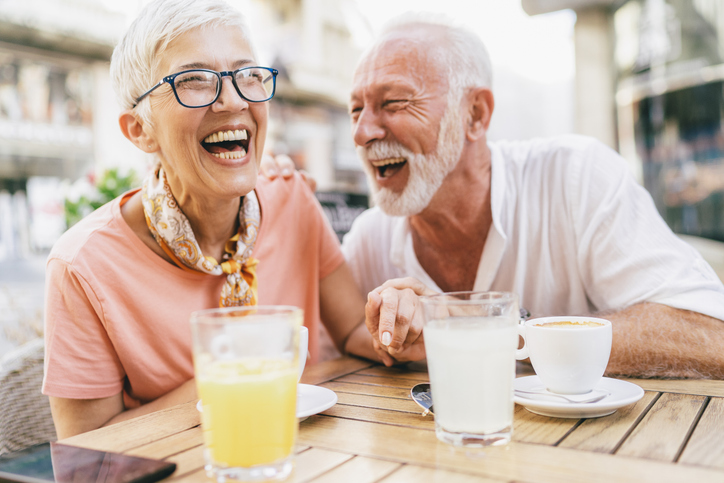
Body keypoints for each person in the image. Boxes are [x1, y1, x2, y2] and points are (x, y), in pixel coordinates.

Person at [264, 14, 724, 379]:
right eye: (356, 109)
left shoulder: (575, 178)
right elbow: (321, 358)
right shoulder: (368, 239)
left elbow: (709, 331)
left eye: (394, 102)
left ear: (476, 115)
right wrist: (265, 197)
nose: (363, 132)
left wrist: (494, 334)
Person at [41, 0, 382, 440]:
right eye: (195, 81)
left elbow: (356, 329)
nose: (233, 100)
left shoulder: (292, 200)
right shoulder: (81, 266)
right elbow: (86, 448)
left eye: (248, 75)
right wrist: (237, 374)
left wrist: (405, 326)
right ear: (139, 130)